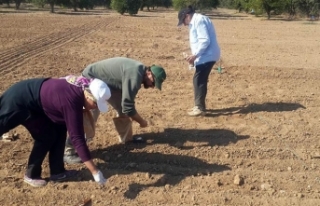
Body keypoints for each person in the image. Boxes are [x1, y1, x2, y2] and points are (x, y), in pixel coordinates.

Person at [0, 76, 110, 187]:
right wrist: (95, 171)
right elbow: (77, 138)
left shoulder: (80, 89)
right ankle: (31, 175)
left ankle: (58, 172)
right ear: (88, 95)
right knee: (46, 136)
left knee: (60, 127)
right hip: (19, 100)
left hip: (36, 101)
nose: (95, 108)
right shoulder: (72, 100)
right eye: (95, 104)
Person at [64, 57, 167, 164]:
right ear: (149, 74)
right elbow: (129, 107)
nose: (152, 86)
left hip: (109, 83)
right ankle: (68, 152)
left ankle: (126, 139)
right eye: (153, 83)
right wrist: (142, 122)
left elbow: (125, 104)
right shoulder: (135, 76)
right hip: (92, 79)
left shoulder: (139, 72)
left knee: (122, 109)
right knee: (90, 115)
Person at [177, 6, 221, 116]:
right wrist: (193, 57)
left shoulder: (199, 20)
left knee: (199, 79)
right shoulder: (196, 21)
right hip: (204, 56)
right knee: (199, 79)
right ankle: (199, 106)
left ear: (187, 15)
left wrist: (195, 55)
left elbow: (204, 41)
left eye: (184, 21)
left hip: (208, 55)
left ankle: (199, 108)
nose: (184, 24)